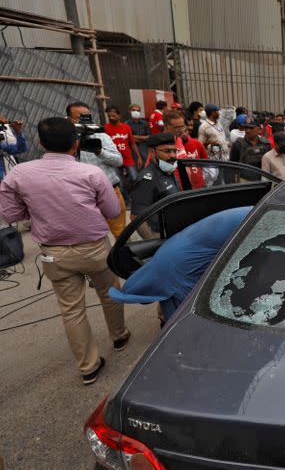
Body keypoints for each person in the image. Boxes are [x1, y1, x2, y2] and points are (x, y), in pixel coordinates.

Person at [0, 117, 129, 385]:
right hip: (94, 248)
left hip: (53, 253)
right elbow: (113, 211)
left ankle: (88, 366)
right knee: (110, 293)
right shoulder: (91, 174)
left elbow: (10, 213)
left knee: (71, 310)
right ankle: (119, 336)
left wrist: (35, 211)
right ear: (76, 144)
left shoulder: (19, 174)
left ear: (41, 143)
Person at [110, 207, 251, 323]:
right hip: (180, 265)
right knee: (188, 318)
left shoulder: (255, 214)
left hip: (179, 252)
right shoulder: (174, 278)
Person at [68, 102, 126, 238]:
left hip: (111, 191)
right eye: (79, 117)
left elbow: (119, 161)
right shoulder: (66, 142)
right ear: (70, 119)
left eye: (87, 117)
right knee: (94, 237)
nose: (84, 121)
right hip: (84, 196)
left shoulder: (102, 137)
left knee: (121, 235)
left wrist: (100, 151)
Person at [130, 133, 180, 236]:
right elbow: (136, 217)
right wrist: (152, 244)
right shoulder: (148, 178)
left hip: (175, 230)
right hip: (160, 234)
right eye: (167, 151)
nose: (172, 155)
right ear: (152, 152)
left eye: (174, 151)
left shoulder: (168, 170)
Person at [162, 110, 207, 189]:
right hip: (174, 192)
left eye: (182, 126)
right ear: (166, 126)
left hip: (191, 189)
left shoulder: (179, 139)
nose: (180, 130)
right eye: (176, 127)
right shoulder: (159, 146)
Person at [104, 106, 141, 203]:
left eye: (113, 115)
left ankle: (138, 198)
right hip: (114, 160)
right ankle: (127, 201)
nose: (111, 118)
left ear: (119, 116)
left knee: (135, 179)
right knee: (119, 183)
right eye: (109, 116)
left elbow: (132, 143)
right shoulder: (105, 128)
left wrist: (139, 157)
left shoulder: (126, 127)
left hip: (128, 158)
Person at [229, 116, 271, 181]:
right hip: (245, 182)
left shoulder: (266, 144)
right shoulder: (238, 144)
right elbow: (232, 166)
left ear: (259, 129)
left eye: (251, 128)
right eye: (246, 127)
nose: (247, 131)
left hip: (263, 181)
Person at [125, 103, 150, 167]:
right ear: (129, 111)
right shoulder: (126, 124)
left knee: (147, 167)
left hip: (145, 149)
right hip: (133, 150)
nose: (136, 112)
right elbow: (129, 140)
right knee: (137, 168)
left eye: (138, 110)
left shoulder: (144, 123)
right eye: (133, 110)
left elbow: (149, 137)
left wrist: (134, 136)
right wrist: (143, 138)